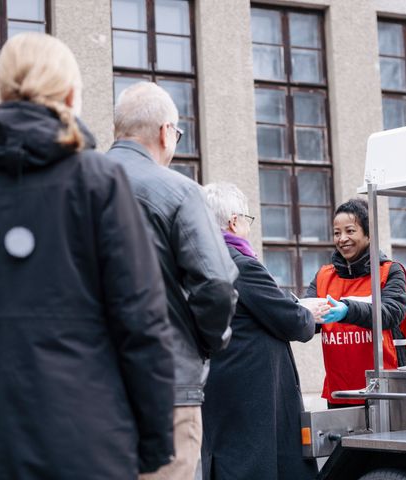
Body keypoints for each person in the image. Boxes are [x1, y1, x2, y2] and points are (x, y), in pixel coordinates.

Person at [0, 33, 175, 479]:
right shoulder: (101, 183)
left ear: (2, 92)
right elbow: (142, 323)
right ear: (71, 95)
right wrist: (153, 443)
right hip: (87, 440)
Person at [108, 82, 238, 480]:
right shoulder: (179, 191)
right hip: (166, 390)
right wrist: (207, 342)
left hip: (86, 390)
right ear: (166, 132)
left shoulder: (70, 189)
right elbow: (215, 283)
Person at [200, 182, 318, 480]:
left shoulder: (199, 262)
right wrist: (310, 313)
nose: (248, 229)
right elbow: (291, 321)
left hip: (219, 386)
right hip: (253, 397)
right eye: (248, 221)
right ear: (233, 221)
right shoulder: (241, 265)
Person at [306, 199, 406, 408]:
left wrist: (347, 310)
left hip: (383, 392)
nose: (342, 238)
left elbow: (391, 313)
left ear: (368, 234)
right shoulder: (323, 276)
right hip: (339, 393)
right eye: (337, 233)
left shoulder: (389, 271)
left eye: (350, 231)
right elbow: (308, 320)